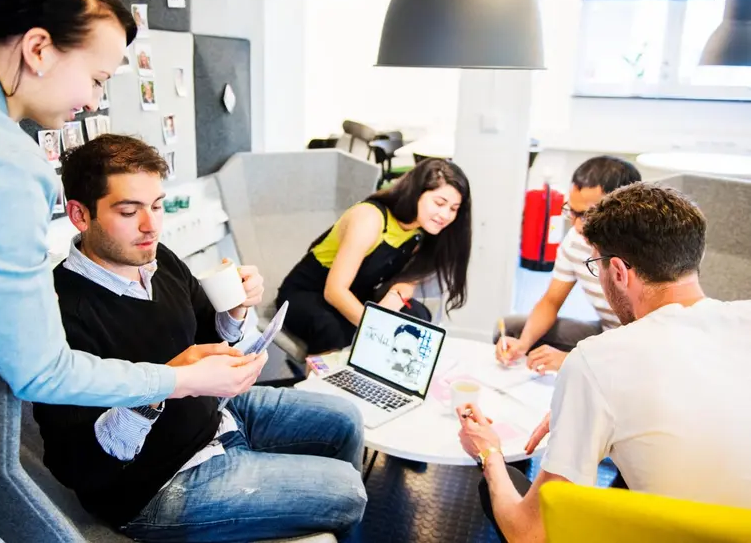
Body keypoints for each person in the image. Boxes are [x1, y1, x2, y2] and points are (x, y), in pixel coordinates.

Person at [0, 0, 264, 540]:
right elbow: (41, 369)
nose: (94, 101)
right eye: (96, 78)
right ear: (38, 48)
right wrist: (178, 379)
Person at [34, 134, 367, 542]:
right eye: (129, 211)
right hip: (158, 483)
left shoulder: (157, 260)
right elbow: (76, 466)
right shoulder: (59, 313)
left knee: (346, 420)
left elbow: (207, 335)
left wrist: (234, 310)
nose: (151, 226)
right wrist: (164, 384)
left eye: (157, 206)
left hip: (215, 415)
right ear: (80, 215)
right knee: (348, 491)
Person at [458, 183, 751, 543]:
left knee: (507, 482)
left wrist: (488, 452)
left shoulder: (596, 360)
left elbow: (530, 534)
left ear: (618, 271)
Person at [278, 158, 472, 353]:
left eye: (453, 209)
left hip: (357, 293)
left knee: (415, 316)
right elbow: (334, 291)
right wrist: (376, 329)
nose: (445, 215)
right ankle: (321, 373)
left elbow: (408, 280)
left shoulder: (424, 232)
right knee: (330, 328)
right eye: (439, 203)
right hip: (309, 293)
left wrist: (395, 297)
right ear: (416, 193)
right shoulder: (370, 218)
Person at [494, 156, 641, 374]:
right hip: (606, 332)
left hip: (639, 349)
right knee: (512, 328)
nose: (577, 225)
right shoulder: (574, 240)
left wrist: (572, 360)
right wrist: (523, 344)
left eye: (588, 214)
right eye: (572, 211)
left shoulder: (644, 252)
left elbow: (650, 342)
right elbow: (551, 301)